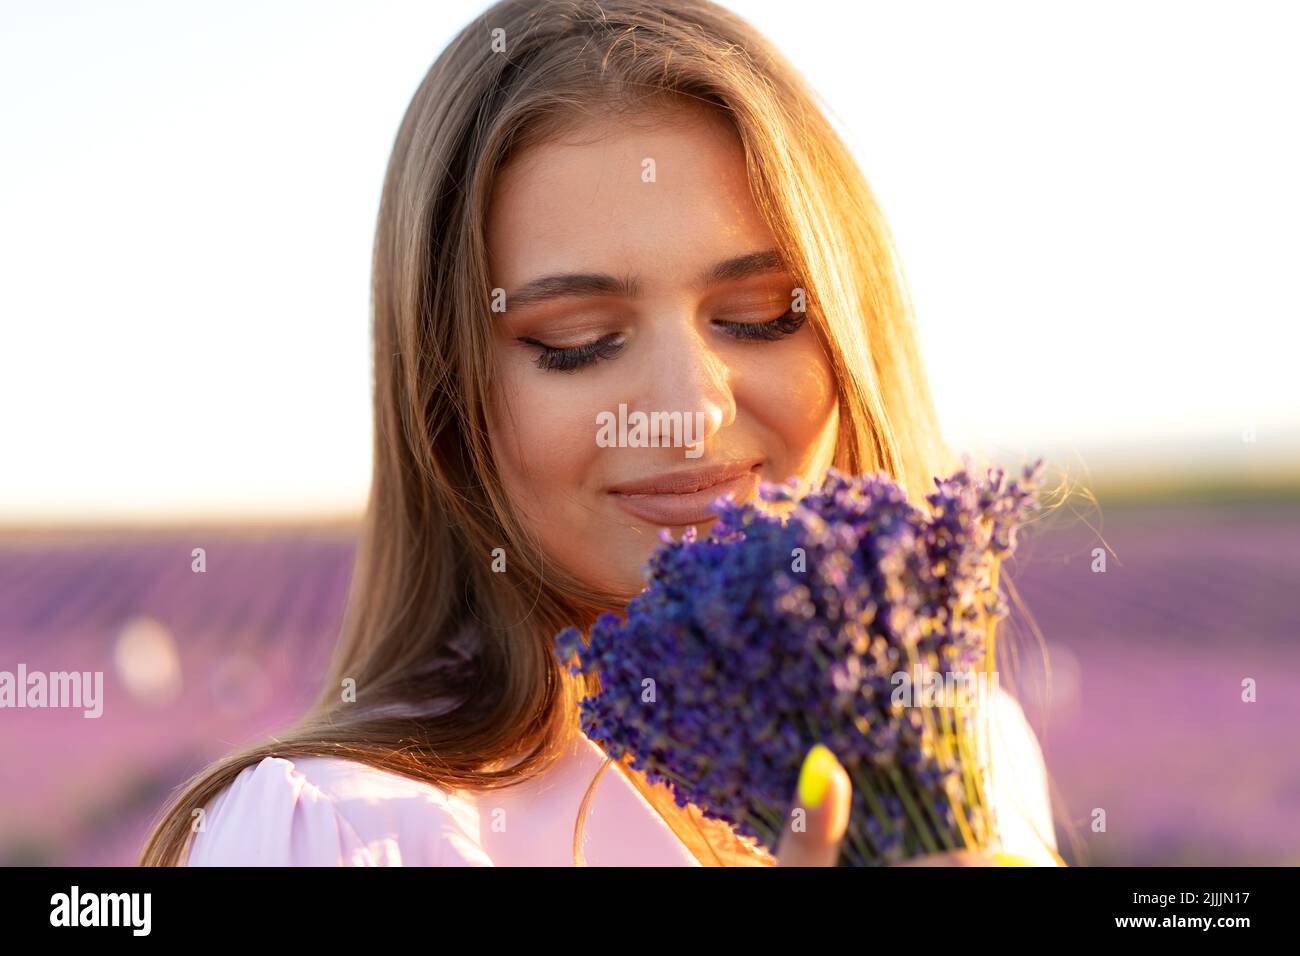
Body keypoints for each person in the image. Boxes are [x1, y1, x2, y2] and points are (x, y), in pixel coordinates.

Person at [140, 0, 1059, 867]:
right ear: (447, 398)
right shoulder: (333, 833)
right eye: (576, 343)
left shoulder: (969, 745)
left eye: (762, 316)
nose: (686, 410)